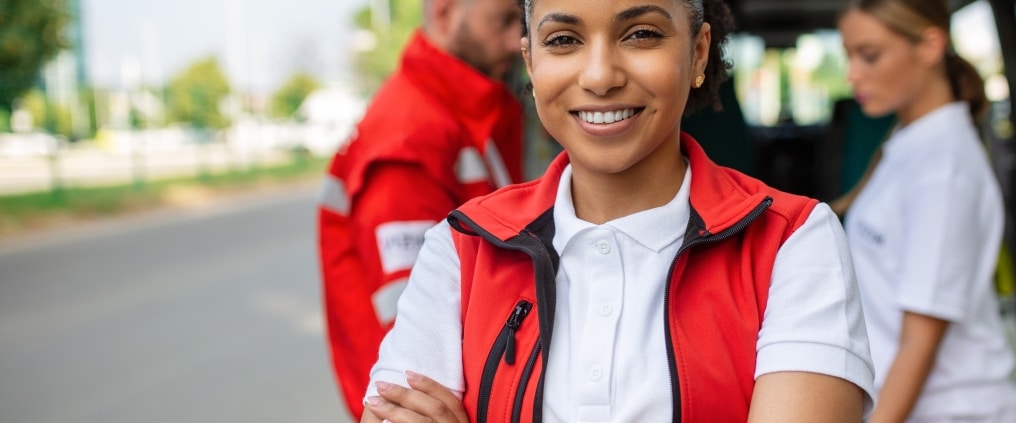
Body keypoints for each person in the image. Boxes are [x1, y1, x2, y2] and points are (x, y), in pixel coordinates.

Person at [357, 0, 876, 421]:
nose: (601, 75)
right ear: (531, 61)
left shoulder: (793, 241)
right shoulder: (462, 245)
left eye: (642, 34)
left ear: (698, 53)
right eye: (563, 40)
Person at [316, 0, 525, 418]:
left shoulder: (458, 111)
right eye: (504, 20)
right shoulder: (409, 137)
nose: (517, 40)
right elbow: (414, 343)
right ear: (446, 14)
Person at [837, 0, 1016, 421]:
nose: (853, 74)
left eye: (869, 55)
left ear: (929, 46)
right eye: (848, 55)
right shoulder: (912, 144)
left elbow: (920, 343)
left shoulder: (943, 169)